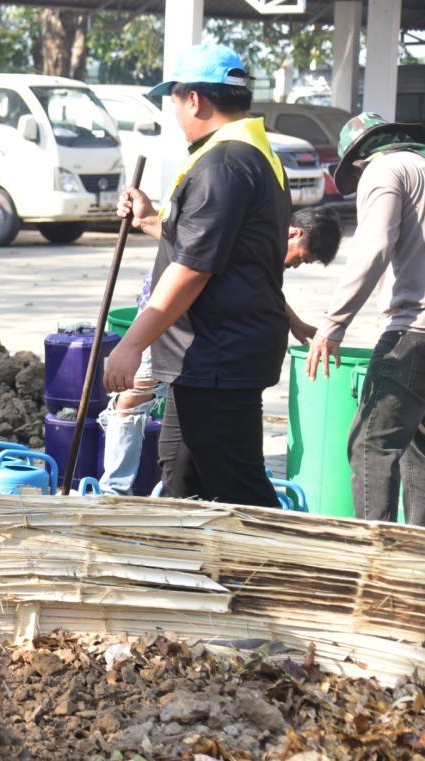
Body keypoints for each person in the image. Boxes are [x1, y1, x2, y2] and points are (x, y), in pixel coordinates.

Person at [104, 43, 290, 507]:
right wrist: (153, 219)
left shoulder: (223, 164)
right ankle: (191, 572)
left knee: (237, 486)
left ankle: (272, 572)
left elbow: (192, 268)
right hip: (207, 356)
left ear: (194, 100)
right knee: (181, 474)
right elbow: (211, 241)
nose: (173, 110)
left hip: (217, 355)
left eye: (173, 99)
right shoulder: (247, 154)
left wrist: (131, 344)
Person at [100, 205, 344, 495]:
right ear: (294, 233)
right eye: (301, 257)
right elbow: (170, 239)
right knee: (133, 398)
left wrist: (294, 321)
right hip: (168, 316)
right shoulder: (237, 232)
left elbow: (260, 287)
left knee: (182, 431)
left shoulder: (263, 246)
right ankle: (114, 491)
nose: (295, 266)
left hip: (199, 340)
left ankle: (179, 496)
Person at [306, 112, 425, 525]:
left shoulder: (383, 169)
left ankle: (376, 564)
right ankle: (414, 565)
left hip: (413, 333)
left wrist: (333, 324)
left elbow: (374, 246)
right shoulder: (421, 167)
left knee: (371, 445)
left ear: (357, 161)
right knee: (415, 447)